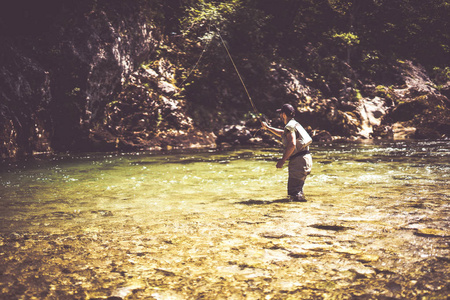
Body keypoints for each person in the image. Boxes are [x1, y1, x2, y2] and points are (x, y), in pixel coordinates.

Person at [261, 103, 313, 201]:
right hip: (306, 159)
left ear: (284, 114)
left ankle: (297, 213)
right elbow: (283, 133)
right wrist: (268, 128)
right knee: (298, 190)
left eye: (281, 114)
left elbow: (292, 144)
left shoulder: (289, 126)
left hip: (299, 161)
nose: (280, 116)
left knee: (294, 192)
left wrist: (283, 160)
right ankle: (303, 210)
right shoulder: (295, 124)